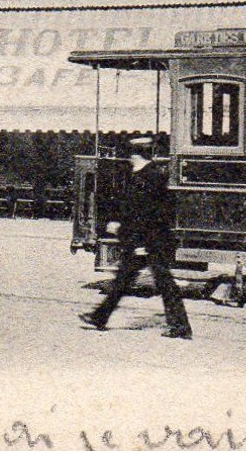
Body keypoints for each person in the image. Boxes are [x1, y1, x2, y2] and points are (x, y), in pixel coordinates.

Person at [80, 136, 193, 340]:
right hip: (145, 240)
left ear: (137, 155)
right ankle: (100, 317)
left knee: (163, 283)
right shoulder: (145, 174)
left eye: (131, 155)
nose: (129, 159)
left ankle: (181, 326)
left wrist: (138, 241)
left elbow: (148, 214)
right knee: (124, 279)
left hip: (150, 241)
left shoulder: (149, 177)